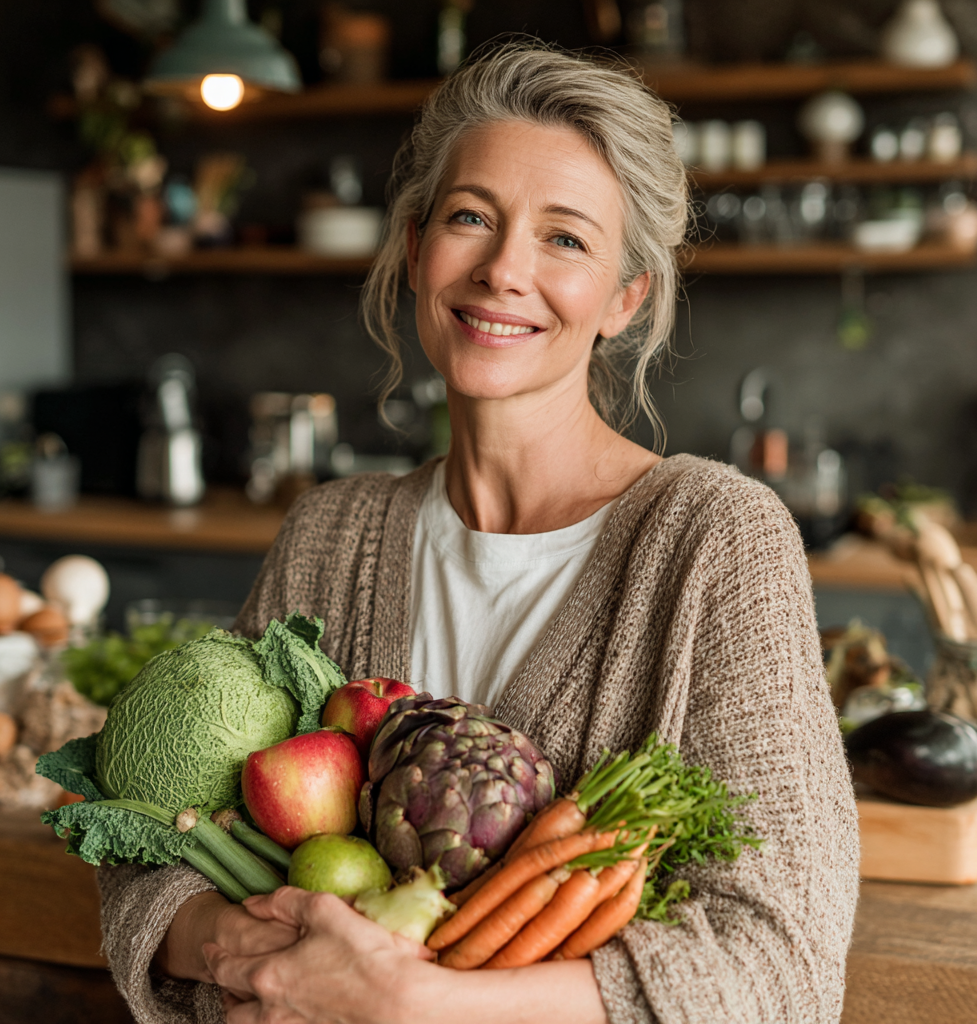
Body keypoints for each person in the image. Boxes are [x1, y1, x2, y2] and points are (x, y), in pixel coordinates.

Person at [98, 41, 858, 1024]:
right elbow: (158, 827)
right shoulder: (331, 533)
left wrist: (419, 1003)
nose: (503, 270)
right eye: (471, 219)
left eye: (565, 239)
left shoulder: (713, 539)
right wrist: (241, 953)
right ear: (415, 248)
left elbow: (780, 959)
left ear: (624, 300)